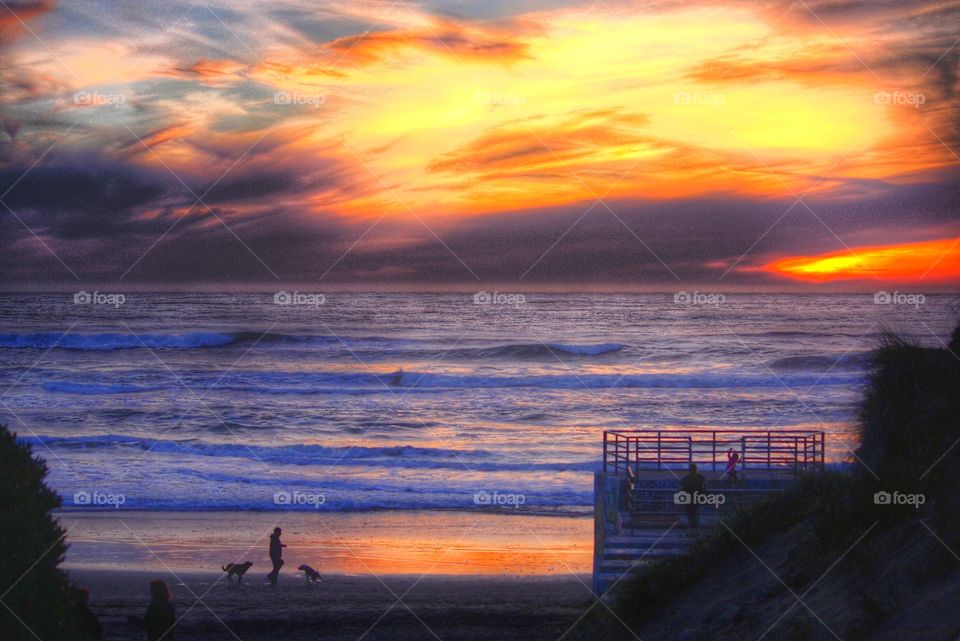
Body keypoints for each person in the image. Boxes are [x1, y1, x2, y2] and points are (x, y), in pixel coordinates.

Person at [679, 463, 706, 528]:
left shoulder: (686, 478)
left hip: (689, 498)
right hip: (697, 498)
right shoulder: (701, 477)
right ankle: (695, 528)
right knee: (695, 513)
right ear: (696, 469)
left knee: (690, 514)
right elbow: (705, 486)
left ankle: (693, 528)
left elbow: (681, 487)